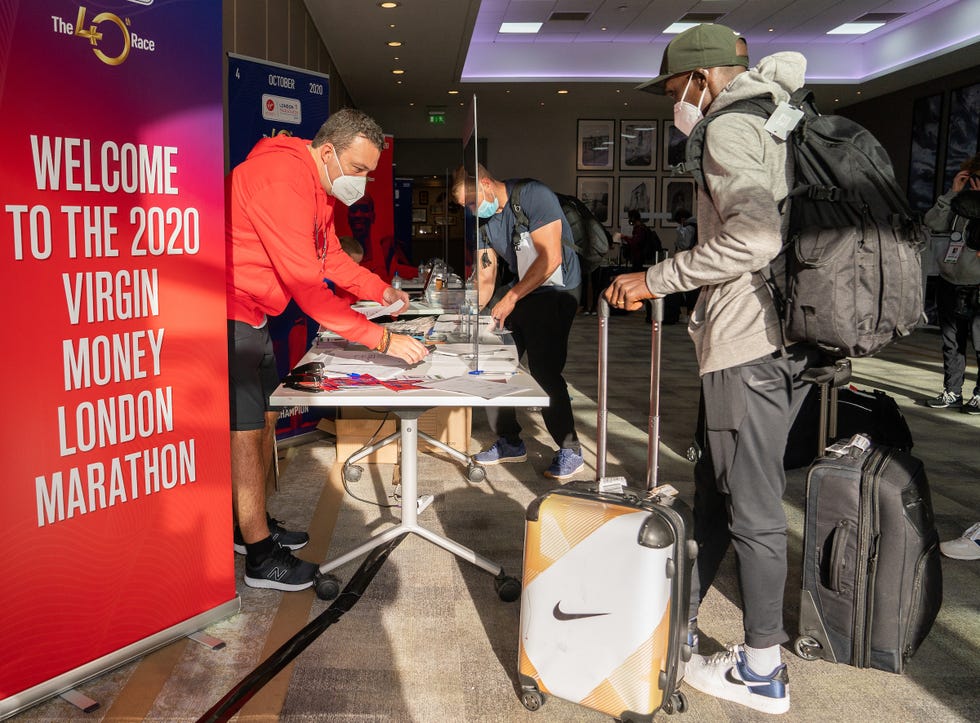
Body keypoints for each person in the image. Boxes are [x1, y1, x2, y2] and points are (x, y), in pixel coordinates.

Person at [613, 24, 817, 714]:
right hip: (788, 337)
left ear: (702, 80)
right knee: (726, 488)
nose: (675, 103)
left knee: (754, 506)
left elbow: (754, 237)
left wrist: (657, 278)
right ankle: (692, 613)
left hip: (748, 343)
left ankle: (762, 668)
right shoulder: (782, 115)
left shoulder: (730, 126)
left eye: (676, 89)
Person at [227, 108, 429, 592]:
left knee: (265, 422)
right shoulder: (282, 179)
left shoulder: (314, 183)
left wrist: (380, 290)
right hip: (228, 315)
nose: (362, 181)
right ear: (327, 152)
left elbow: (331, 256)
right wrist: (380, 339)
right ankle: (259, 558)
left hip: (255, 313)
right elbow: (309, 289)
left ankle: (248, 525)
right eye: (358, 169)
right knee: (244, 434)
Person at [452, 164, 585, 480]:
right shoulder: (483, 222)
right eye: (465, 207)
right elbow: (486, 277)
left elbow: (550, 258)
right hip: (521, 288)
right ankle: (509, 441)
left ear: (486, 183)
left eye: (471, 202)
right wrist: (469, 316)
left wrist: (510, 298)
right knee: (493, 360)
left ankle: (570, 449)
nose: (472, 211)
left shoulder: (533, 195)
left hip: (557, 288)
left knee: (544, 369)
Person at [923, 154, 980, 414]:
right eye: (973, 177)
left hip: (977, 283)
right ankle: (952, 391)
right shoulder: (958, 204)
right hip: (950, 279)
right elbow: (932, 222)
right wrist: (952, 192)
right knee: (951, 342)